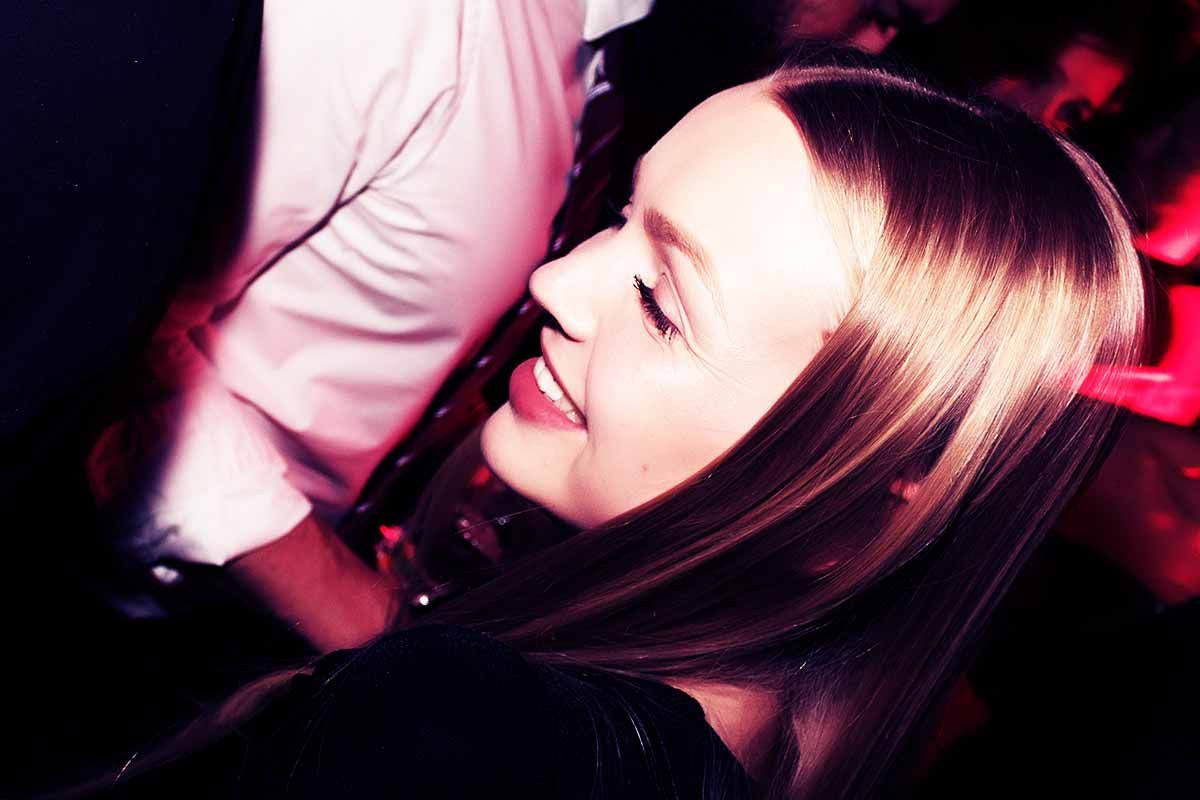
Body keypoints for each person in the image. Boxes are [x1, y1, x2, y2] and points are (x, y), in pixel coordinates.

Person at [90, 49, 1146, 799]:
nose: (555, 282)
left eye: (660, 300)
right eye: (619, 220)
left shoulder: (463, 737)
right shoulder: (762, 734)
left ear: (869, 474)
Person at [86, 0, 653, 648]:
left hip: (273, 589)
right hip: (123, 606)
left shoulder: (600, 38)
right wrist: (362, 619)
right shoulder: (393, 19)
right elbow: (118, 329)